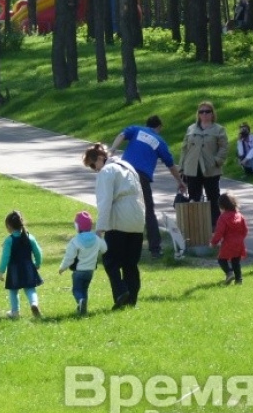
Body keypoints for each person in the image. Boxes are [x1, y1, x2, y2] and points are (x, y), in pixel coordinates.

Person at [109, 115, 186, 259]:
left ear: (147, 124)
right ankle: (155, 249)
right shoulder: (159, 141)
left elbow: (122, 134)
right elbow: (170, 165)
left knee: (119, 205)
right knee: (149, 211)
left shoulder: (137, 130)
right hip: (141, 176)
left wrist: (112, 150)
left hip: (123, 171)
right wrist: (180, 182)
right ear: (159, 127)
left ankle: (117, 244)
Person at [83, 143, 146, 310]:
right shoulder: (129, 167)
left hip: (119, 219)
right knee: (130, 263)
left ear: (100, 158)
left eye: (92, 164)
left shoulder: (107, 172)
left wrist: (99, 229)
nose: (93, 169)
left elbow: (105, 202)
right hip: (137, 218)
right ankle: (132, 299)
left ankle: (120, 292)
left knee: (110, 260)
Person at [179, 101, 229, 227]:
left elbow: (224, 148)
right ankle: (196, 225)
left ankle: (214, 226)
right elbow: (184, 148)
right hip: (192, 168)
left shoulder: (219, 129)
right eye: (202, 112)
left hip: (210, 168)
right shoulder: (191, 128)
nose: (204, 114)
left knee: (213, 196)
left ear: (212, 114)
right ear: (198, 114)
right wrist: (182, 167)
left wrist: (217, 161)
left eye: (207, 111)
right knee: (194, 196)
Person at [58, 211, 107, 315]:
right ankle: (82, 309)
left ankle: (80, 301)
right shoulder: (96, 239)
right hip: (90, 271)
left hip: (78, 271)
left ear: (77, 226)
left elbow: (69, 257)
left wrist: (62, 267)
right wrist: (100, 237)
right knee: (84, 289)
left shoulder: (75, 241)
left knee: (76, 290)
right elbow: (104, 249)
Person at [0, 210, 43, 318]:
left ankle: (15, 312)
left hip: (14, 270)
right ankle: (34, 304)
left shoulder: (9, 240)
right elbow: (38, 252)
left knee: (13, 291)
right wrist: (38, 263)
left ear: (8, 226)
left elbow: (5, 257)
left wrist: (1, 271)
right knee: (30, 289)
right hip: (28, 267)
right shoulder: (29, 237)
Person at [209, 193, 248, 285]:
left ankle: (229, 272)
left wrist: (213, 242)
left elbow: (219, 232)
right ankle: (239, 280)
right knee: (236, 262)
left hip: (228, 243)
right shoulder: (239, 215)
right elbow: (245, 230)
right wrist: (240, 238)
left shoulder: (223, 217)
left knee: (221, 259)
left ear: (222, 207)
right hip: (239, 243)